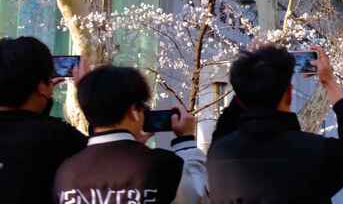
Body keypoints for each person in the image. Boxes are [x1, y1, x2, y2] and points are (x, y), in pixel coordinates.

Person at [207, 45, 343, 204]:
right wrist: (329, 82)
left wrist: (249, 79)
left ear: (240, 95)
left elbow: (224, 126)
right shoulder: (316, 153)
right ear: (289, 93)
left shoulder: (218, 155)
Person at [54, 65, 208, 204]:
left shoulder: (66, 172)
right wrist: (186, 142)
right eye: (143, 108)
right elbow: (196, 197)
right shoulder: (162, 164)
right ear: (134, 111)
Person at [0, 36, 87, 204]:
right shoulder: (58, 137)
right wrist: (88, 93)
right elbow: (103, 155)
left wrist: (42, 96)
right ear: (42, 87)